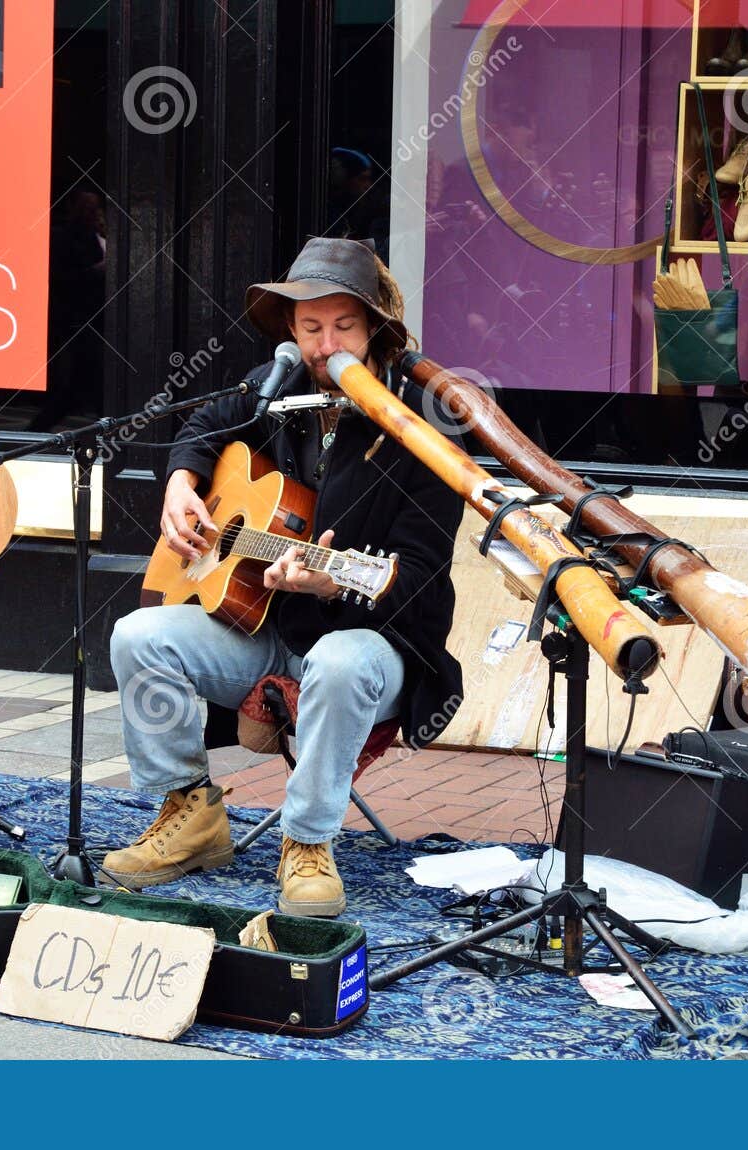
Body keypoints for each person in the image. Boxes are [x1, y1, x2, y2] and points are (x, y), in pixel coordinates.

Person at [103, 237, 465, 917]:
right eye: (311, 328)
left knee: (336, 659)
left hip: (373, 646)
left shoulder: (423, 428)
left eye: (344, 326)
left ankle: (307, 842)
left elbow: (420, 577)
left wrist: (335, 582)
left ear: (378, 332)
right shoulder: (280, 387)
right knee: (137, 636)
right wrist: (182, 482)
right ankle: (192, 813)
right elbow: (208, 425)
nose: (327, 346)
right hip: (270, 627)